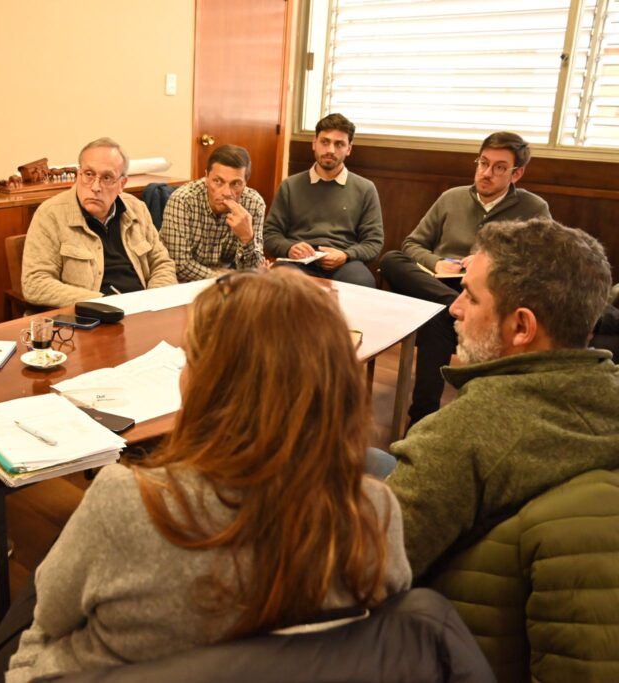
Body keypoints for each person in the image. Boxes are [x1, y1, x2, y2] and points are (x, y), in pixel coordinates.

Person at [0, 268, 411, 682]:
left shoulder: (126, 504)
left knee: (44, 581)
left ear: (210, 383)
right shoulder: (376, 513)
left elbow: (51, 616)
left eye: (189, 358)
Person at [385, 218, 619, 579]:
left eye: (471, 296)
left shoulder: (459, 438)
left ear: (522, 327)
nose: (454, 309)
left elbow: (359, 573)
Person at [379, 132, 550, 424]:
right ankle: (450, 305)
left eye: (499, 167)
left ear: (516, 173)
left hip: (486, 293)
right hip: (437, 284)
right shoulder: (451, 198)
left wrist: (489, 264)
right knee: (392, 259)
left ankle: (420, 418)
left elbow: (539, 263)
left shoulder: (535, 209)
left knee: (437, 319)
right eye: (483, 163)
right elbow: (412, 244)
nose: (486, 173)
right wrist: (436, 262)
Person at [21, 137, 177, 307]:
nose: (95, 186)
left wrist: (152, 301)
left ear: (122, 184)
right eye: (89, 174)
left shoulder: (137, 209)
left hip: (142, 311)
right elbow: (35, 283)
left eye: (107, 178)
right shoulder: (50, 214)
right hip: (90, 316)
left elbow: (162, 263)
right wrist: (103, 303)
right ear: (78, 175)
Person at [263, 113, 384, 287]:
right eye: (325, 142)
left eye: (339, 144)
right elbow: (270, 234)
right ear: (314, 143)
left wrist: (346, 255)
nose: (330, 150)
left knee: (362, 282)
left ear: (349, 149)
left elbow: (374, 242)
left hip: (345, 263)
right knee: (283, 282)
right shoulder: (290, 185)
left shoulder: (365, 189)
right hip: (296, 263)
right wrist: (289, 248)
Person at [160, 144, 265, 281]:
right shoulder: (183, 200)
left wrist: (247, 238)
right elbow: (179, 264)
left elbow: (253, 272)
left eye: (236, 184)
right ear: (206, 177)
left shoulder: (254, 204)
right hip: (184, 282)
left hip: (230, 282)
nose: (227, 193)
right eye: (218, 181)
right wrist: (222, 278)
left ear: (245, 183)